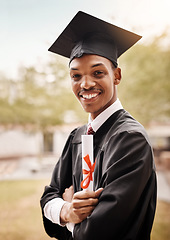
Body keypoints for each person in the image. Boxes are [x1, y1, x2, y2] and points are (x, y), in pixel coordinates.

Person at [40, 11, 157, 240]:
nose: (86, 84)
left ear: (117, 75)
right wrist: (65, 210)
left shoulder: (130, 139)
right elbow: (48, 197)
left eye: (97, 72)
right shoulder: (78, 136)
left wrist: (69, 218)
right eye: (76, 76)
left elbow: (97, 233)